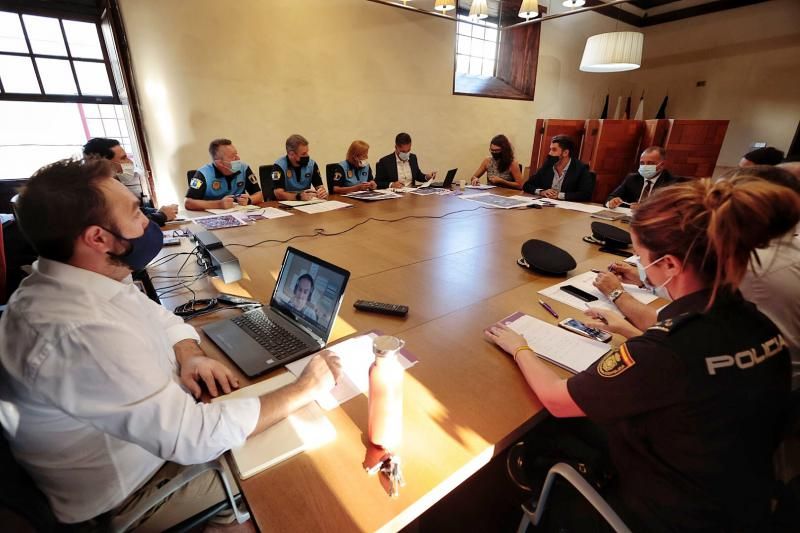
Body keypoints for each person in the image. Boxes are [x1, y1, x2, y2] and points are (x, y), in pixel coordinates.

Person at [0, 158, 341, 530]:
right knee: (311, 468)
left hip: (148, 442)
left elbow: (159, 317)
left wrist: (189, 354)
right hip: (132, 492)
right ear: (98, 238)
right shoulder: (77, 330)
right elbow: (194, 437)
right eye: (134, 212)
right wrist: (305, 388)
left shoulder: (80, 278)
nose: (147, 220)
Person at [485, 175, 798, 531]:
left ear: (670, 265)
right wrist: (625, 325)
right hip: (741, 500)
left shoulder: (666, 351)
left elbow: (557, 398)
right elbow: (691, 361)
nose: (639, 266)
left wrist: (520, 346)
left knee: (547, 428)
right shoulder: (756, 323)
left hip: (669, 516)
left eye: (642, 256)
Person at [591, 165, 800, 391]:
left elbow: (670, 332)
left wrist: (617, 295)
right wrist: (645, 279)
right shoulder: (779, 249)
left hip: (742, 391)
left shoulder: (747, 262)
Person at [82, 137, 178, 226]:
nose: (130, 162)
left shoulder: (113, 186)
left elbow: (130, 211)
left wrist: (158, 211)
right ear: (105, 164)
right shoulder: (95, 193)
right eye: (123, 158)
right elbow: (125, 224)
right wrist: (162, 215)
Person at [184, 138, 264, 211]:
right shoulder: (203, 174)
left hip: (240, 214)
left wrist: (249, 200)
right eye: (233, 156)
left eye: (236, 154)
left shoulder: (244, 168)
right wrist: (219, 204)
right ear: (219, 163)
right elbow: (188, 203)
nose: (238, 158)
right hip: (211, 218)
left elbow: (259, 195)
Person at [523, 135, 594, 201]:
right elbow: (527, 185)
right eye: (550, 149)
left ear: (565, 152)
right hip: (546, 206)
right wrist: (542, 192)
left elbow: (586, 194)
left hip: (567, 210)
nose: (550, 153)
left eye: (554, 150)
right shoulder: (548, 164)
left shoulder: (581, 168)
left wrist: (559, 195)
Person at [605, 146, 679, 208]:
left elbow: (673, 210)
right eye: (642, 163)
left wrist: (645, 208)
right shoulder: (632, 178)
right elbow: (611, 197)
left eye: (650, 163)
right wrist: (611, 203)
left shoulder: (672, 183)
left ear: (662, 165)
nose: (645, 166)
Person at [272, 134, 329, 201]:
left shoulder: (312, 164)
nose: (307, 155)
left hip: (307, 204)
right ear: (291, 154)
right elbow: (278, 194)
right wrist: (299, 197)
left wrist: (322, 193)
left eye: (307, 152)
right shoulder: (279, 166)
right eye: (303, 154)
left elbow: (320, 187)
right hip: (286, 206)